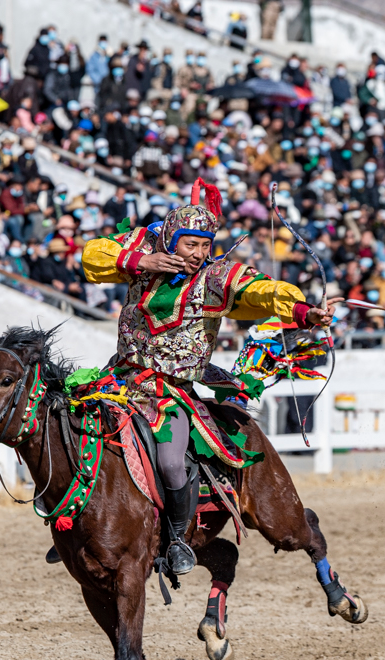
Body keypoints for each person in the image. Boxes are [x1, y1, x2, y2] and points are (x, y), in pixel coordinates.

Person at [81, 178, 337, 576]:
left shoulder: (216, 279)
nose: (199, 254)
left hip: (168, 395)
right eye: (190, 244)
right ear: (170, 242)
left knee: (169, 461)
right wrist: (141, 262)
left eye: (205, 245)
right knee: (71, 429)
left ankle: (178, 539)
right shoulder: (142, 262)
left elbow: (261, 292)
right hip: (118, 382)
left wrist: (304, 312)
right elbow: (93, 256)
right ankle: (82, 528)